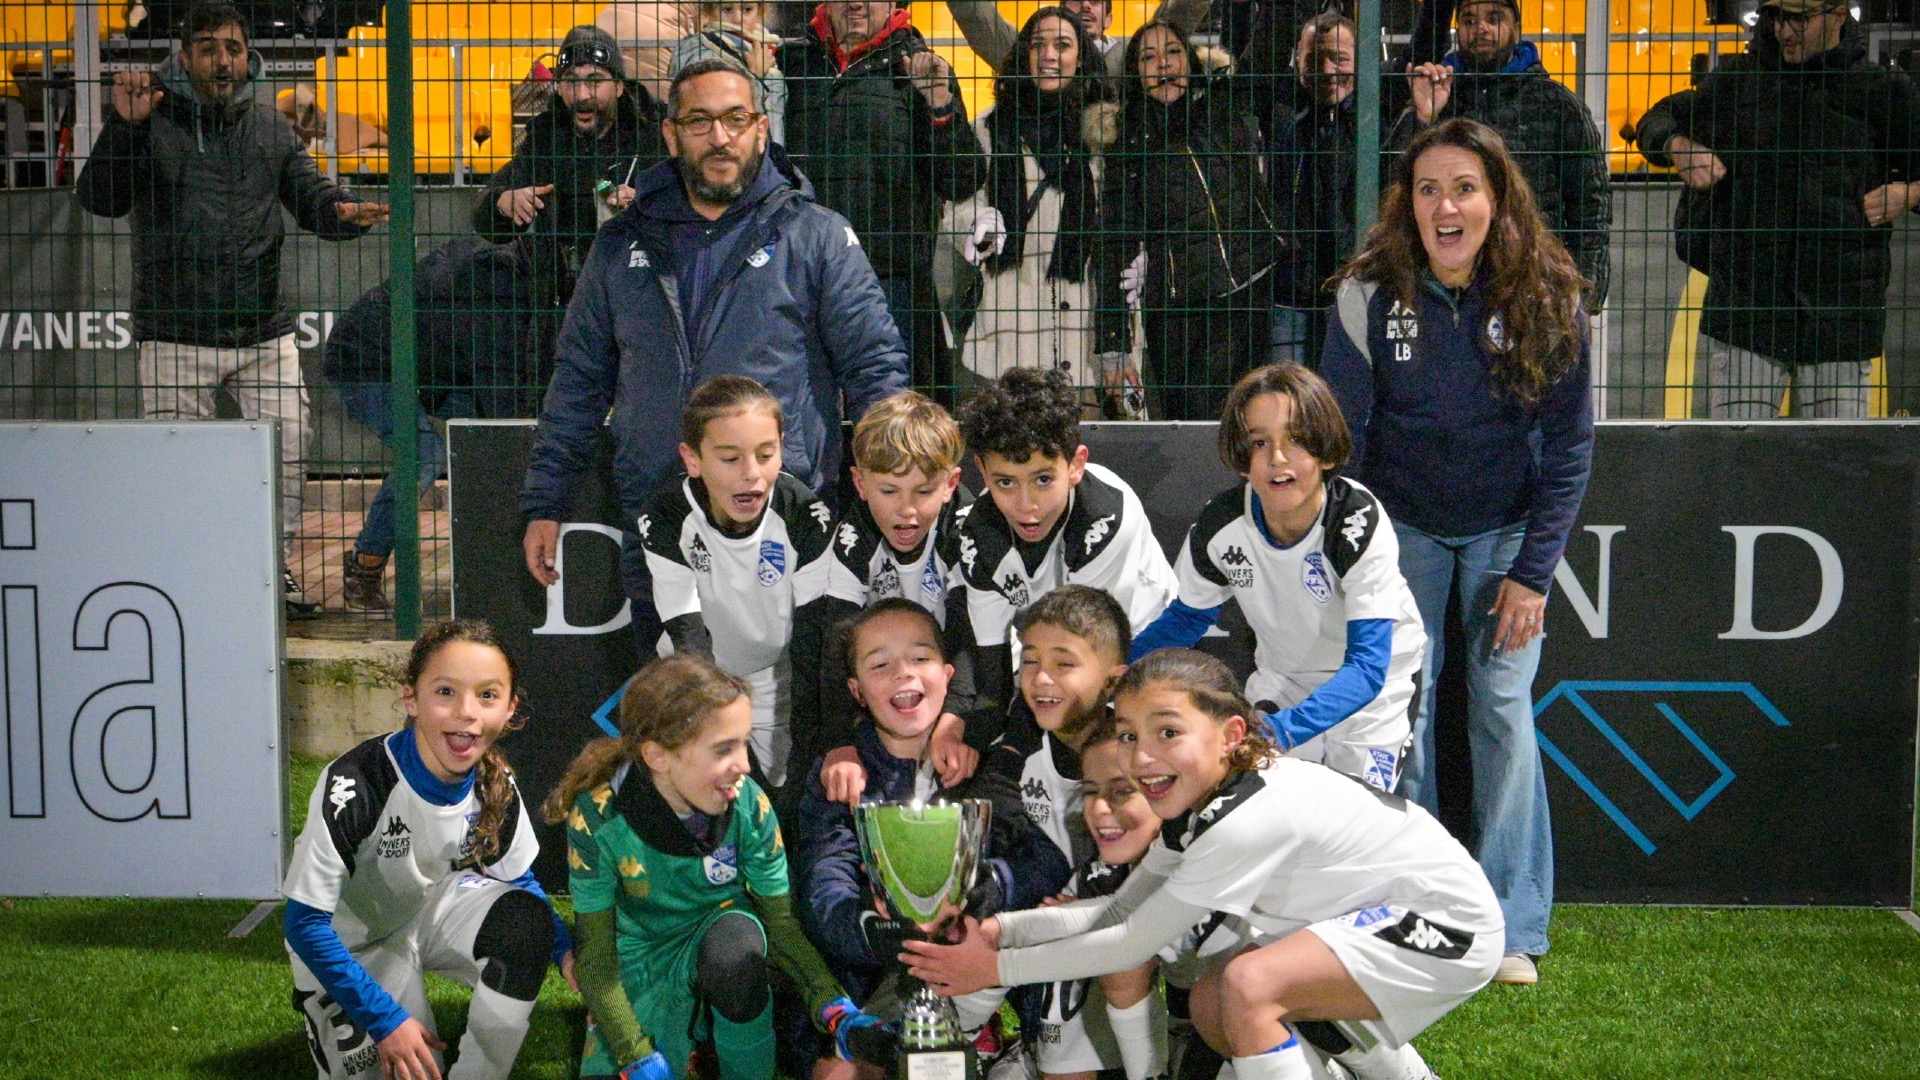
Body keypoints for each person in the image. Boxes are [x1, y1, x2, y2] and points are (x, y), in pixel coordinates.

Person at [900, 649, 1501, 1080]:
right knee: (1215, 1004)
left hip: (1449, 923)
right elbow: (1120, 910)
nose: (1143, 757)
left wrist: (993, 967)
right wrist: (1001, 930)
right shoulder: (1208, 805)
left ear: (1232, 734)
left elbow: (1131, 941)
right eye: (1129, 736)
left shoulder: (1247, 817)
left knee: (1250, 985)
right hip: (1385, 912)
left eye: (1168, 732)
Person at [1320, 117, 1594, 986]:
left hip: (1505, 527)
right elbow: (1340, 440)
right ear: (1407, 203)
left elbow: (1570, 450)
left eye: (1465, 189)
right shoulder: (1366, 294)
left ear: (1497, 199)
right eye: (1428, 189)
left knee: (1502, 707)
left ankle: (1512, 925)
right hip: (1400, 523)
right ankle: (1423, 905)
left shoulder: (1549, 295)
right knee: (1404, 706)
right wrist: (1354, 553)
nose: (1446, 207)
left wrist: (1531, 576)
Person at [519, 56, 909, 660]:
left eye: (735, 119)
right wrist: (546, 502)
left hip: (789, 524)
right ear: (671, 134)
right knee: (679, 706)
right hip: (660, 525)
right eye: (699, 121)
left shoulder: (816, 235)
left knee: (791, 701)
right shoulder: (621, 243)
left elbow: (875, 370)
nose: (719, 137)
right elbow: (579, 380)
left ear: (761, 128)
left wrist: (894, 486)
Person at [74, 0, 389, 618]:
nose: (223, 60)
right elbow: (100, 199)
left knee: (288, 454)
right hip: (175, 334)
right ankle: (190, 581)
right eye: (209, 48)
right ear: (184, 57)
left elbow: (310, 194)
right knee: (178, 469)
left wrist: (340, 212)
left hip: (262, 332)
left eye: (234, 48)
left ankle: (272, 572)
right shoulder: (148, 120)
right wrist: (125, 128)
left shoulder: (271, 127)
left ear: (249, 58)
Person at [545, 651, 888, 1080]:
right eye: (725, 749)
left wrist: (835, 1008)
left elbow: (780, 927)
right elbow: (596, 957)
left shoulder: (750, 806)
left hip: (722, 942)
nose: (744, 765)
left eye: (744, 743)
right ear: (657, 756)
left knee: (736, 950)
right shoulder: (597, 817)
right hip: (639, 955)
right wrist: (634, 1057)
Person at [281, 619, 573, 1080]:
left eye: (487, 695)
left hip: (425, 910)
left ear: (510, 708)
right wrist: (384, 1019)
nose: (466, 712)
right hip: (347, 945)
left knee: (526, 920)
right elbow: (304, 924)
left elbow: (518, 880)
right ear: (411, 698)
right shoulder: (356, 784)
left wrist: (566, 952)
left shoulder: (494, 781)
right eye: (445, 692)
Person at [1132, 364, 1427, 794]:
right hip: (1284, 679)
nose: (1278, 458)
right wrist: (1119, 668)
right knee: (1253, 802)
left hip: (1375, 690)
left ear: (1327, 452)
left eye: (1297, 440)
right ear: (1241, 457)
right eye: (1259, 442)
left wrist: (1281, 732)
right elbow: (1187, 619)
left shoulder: (1355, 521)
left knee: (1351, 815)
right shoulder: (1220, 524)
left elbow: (1367, 668)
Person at [791, 601, 1070, 1042]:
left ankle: (988, 1034)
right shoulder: (841, 775)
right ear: (857, 690)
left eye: (920, 658)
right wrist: (878, 932)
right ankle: (876, 1039)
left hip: (974, 953)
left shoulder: (984, 766)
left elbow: (1046, 860)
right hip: (873, 973)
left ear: (947, 675)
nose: (903, 673)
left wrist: (981, 892)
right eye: (880, 664)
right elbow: (822, 885)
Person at [1635, 0, 1920, 418]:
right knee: (1742, 454)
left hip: (1839, 319)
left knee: (1833, 457)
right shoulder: (1736, 83)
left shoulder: (1882, 90)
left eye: (1799, 19)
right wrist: (1679, 147)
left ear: (1838, 14)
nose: (1784, 31)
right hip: (1748, 314)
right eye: (1777, 18)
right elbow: (1656, 119)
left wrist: (1908, 194)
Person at [780, 0, 990, 398]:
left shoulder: (922, 68)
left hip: (892, 283)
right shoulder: (787, 63)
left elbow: (962, 181)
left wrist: (940, 108)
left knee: (889, 417)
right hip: (798, 278)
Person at [640, 376, 836, 800]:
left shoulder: (805, 515)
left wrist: (807, 733)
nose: (752, 474)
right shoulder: (666, 516)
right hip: (693, 676)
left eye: (766, 455)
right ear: (692, 459)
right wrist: (715, 722)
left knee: (781, 805)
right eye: (730, 458)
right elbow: (688, 635)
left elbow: (813, 639)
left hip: (776, 684)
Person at [973, 587, 1137, 1080]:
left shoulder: (1141, 755)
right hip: (1039, 927)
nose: (1041, 679)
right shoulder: (1016, 750)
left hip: (1129, 928)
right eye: (1030, 661)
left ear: (1113, 680)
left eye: (1064, 664)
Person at [325, 236, 537, 611]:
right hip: (366, 361)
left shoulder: (507, 262)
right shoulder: (494, 275)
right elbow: (497, 374)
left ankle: (492, 556)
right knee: (425, 457)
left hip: (427, 366)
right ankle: (364, 569)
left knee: (494, 431)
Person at [955, 367, 1177, 716]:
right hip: (1053, 645)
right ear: (982, 471)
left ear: (1076, 464)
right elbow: (992, 661)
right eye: (1006, 483)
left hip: (1144, 640)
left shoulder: (1108, 517)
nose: (1026, 505)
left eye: (1043, 479)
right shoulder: (977, 534)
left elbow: (1089, 655)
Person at [1093, 19, 1281, 420]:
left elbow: (1272, 41)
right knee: (1198, 424)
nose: (1163, 64)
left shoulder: (1224, 105)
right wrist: (1113, 344)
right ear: (1135, 74)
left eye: (1173, 51)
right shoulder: (1127, 142)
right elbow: (1113, 241)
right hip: (1179, 314)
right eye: (1148, 57)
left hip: (1251, 291)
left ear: (1191, 61)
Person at [800, 390, 978, 777]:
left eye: (924, 491)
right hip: (895, 686)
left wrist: (954, 720)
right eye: (888, 491)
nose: (906, 510)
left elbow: (971, 638)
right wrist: (838, 743)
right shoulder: (851, 539)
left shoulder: (968, 533)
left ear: (950, 484)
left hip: (967, 684)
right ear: (860, 483)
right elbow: (835, 643)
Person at [944, 8, 1121, 395]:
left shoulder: (1106, 131)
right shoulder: (990, 127)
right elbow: (959, 203)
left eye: (1063, 45)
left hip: (1085, 333)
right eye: (1038, 45)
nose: (1049, 55)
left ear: (1081, 57)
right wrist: (975, 225)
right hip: (1007, 328)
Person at [1394, 0, 1611, 313]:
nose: (1480, 28)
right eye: (1469, 20)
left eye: (1494, 18)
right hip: (1446, 289)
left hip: (1534, 283)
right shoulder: (1438, 97)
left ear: (1516, 30)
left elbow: (1591, 206)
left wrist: (1584, 299)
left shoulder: (1556, 103)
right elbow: (1396, 187)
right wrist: (1423, 119)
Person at [474, 25, 665, 311]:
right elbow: (487, 222)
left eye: (595, 81)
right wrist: (502, 204)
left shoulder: (654, 136)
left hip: (639, 296)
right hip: (560, 301)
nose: (582, 95)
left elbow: (690, 211)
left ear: (619, 86)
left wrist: (646, 206)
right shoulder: (545, 139)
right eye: (571, 81)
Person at [1267, 12, 1359, 368]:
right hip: (1291, 293)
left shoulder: (1376, 116)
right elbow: (1262, 47)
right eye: (1314, 59)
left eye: (1340, 58)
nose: (1327, 70)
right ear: (1297, 61)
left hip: (1356, 290)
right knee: (1290, 394)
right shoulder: (1281, 113)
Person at [947, 0, 1213, 78]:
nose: (1085, 5)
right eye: (1075, 0)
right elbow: (980, 22)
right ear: (1060, 13)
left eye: (1095, 2)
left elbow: (1176, 18)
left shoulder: (1132, 55)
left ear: (1108, 19)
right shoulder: (1034, 53)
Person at [670, 0, 787, 143]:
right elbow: (709, 106)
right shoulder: (699, 50)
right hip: (718, 143)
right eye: (727, 9)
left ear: (760, 12)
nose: (737, 19)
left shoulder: (761, 45)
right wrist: (756, 76)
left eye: (747, 9)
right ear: (710, 11)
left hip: (763, 146)